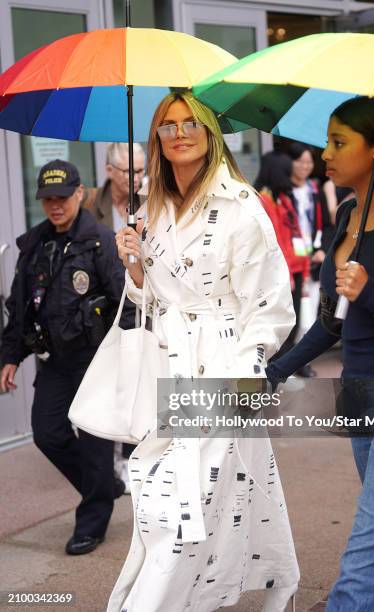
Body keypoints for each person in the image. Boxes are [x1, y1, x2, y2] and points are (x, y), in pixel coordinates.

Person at [108, 91, 299, 612]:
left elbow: (270, 305)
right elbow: (151, 301)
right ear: (157, 140)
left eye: (192, 122)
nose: (180, 133)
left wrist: (242, 382)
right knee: (187, 498)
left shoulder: (240, 206)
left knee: (185, 501)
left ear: (212, 132)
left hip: (224, 369)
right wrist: (134, 266)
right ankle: (225, 592)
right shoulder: (152, 207)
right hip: (166, 368)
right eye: (168, 126)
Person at [266, 96, 374, 611]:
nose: (324, 153)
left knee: (373, 536)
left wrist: (373, 293)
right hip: (360, 393)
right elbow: (331, 322)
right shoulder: (347, 211)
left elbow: (369, 304)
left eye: (339, 142)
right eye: (327, 140)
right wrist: (275, 371)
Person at [0, 160, 133, 556]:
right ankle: (104, 487)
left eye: (62, 197)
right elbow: (21, 307)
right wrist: (10, 356)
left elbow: (125, 303)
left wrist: (128, 354)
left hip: (96, 360)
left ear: (80, 193)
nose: (55, 205)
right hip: (55, 360)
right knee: (47, 433)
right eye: (48, 199)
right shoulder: (35, 244)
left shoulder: (100, 241)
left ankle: (92, 522)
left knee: (94, 445)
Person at [83, 141, 146, 493]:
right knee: (113, 386)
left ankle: (139, 457)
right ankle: (113, 458)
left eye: (141, 170)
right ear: (110, 171)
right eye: (129, 172)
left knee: (142, 386)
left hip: (145, 307)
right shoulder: (91, 206)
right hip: (105, 312)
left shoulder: (155, 203)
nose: (137, 178)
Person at [255, 151, 310, 360]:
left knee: (294, 323)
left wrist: (303, 271)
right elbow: (274, 242)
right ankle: (278, 371)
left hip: (295, 270)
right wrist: (285, 274)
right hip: (282, 274)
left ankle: (286, 367)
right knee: (282, 325)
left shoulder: (284, 198)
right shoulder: (264, 201)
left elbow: (296, 235)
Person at [286, 143, 333, 377]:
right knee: (292, 313)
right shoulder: (281, 191)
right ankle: (286, 360)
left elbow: (326, 224)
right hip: (291, 263)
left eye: (308, 162)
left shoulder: (316, 189)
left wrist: (323, 249)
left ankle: (299, 361)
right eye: (299, 161)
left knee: (308, 314)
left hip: (313, 260)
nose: (304, 166)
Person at [83, 141, 146, 231]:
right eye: (128, 172)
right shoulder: (89, 203)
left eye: (139, 171)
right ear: (110, 170)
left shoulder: (150, 204)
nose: (135, 179)